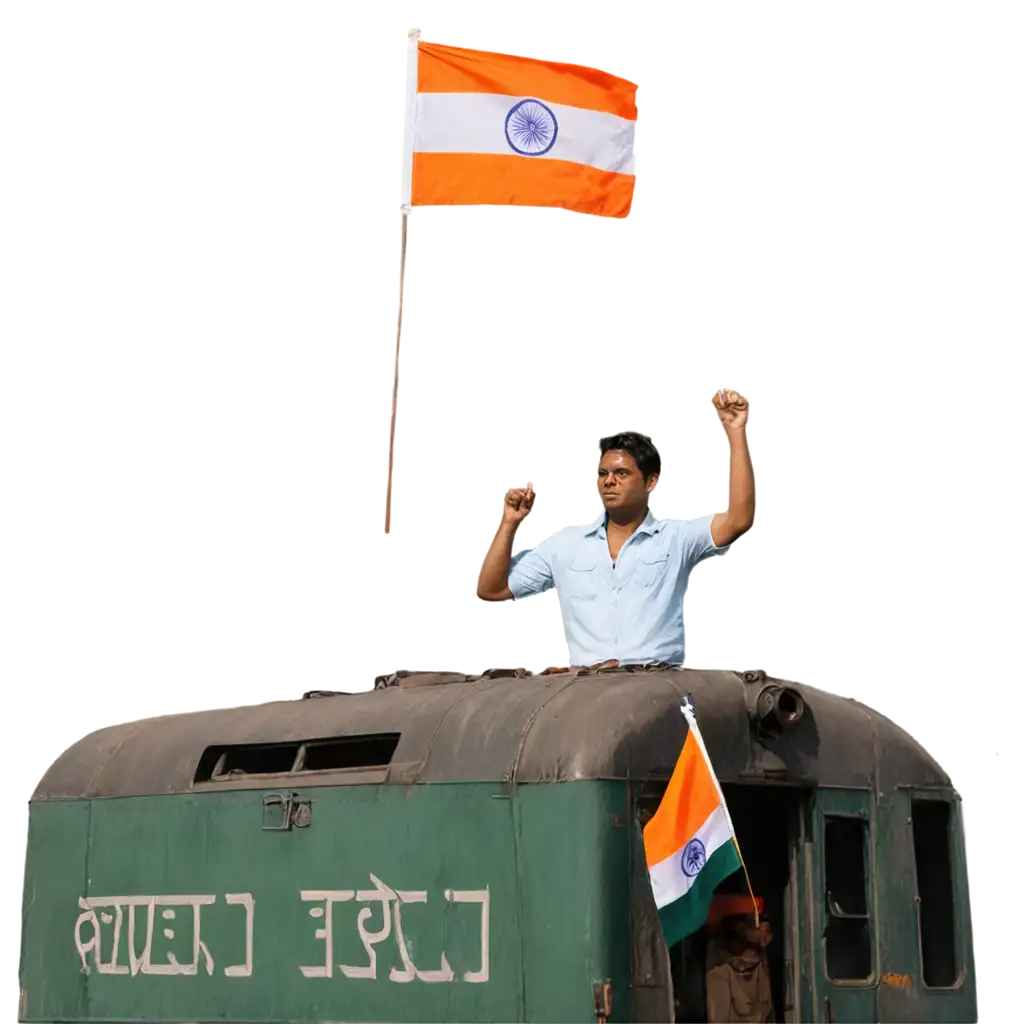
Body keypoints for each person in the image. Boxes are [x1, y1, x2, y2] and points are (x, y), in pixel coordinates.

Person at [471, 388, 754, 668]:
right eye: (603, 474)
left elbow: (737, 520)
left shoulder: (675, 538)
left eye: (622, 473)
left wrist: (736, 430)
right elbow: (492, 590)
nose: (609, 481)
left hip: (660, 687)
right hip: (589, 693)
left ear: (650, 482)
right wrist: (509, 523)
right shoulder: (564, 544)